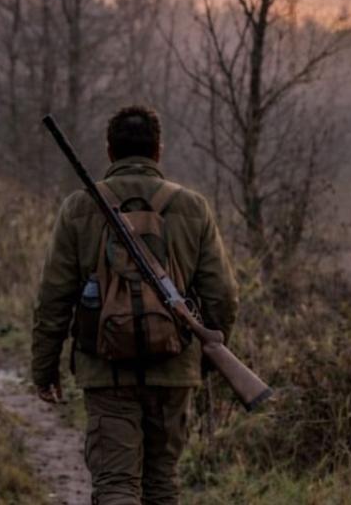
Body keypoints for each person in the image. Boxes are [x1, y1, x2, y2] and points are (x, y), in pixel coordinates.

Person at [31, 105, 239, 505]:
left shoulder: (79, 207)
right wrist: (204, 357)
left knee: (115, 484)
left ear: (110, 151)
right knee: (161, 483)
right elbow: (223, 295)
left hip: (105, 369)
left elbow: (53, 297)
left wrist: (45, 369)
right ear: (158, 150)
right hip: (174, 368)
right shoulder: (193, 207)